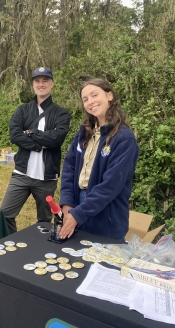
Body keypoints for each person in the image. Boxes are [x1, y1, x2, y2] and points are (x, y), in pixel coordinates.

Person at [59, 78, 139, 240]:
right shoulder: (83, 134)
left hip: (106, 215)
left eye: (95, 95)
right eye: (85, 99)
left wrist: (78, 214)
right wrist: (68, 204)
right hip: (77, 206)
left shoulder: (124, 139)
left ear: (109, 95)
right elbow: (69, 169)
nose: (91, 102)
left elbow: (110, 186)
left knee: (103, 264)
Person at [0, 67, 71, 234]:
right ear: (32, 85)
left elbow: (57, 138)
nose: (41, 84)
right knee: (4, 214)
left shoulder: (61, 113)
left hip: (46, 179)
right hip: (21, 174)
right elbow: (15, 135)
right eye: (37, 81)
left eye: (45, 80)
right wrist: (40, 145)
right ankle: (13, 243)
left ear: (52, 84)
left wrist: (31, 133)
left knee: (45, 222)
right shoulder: (22, 110)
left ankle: (40, 252)